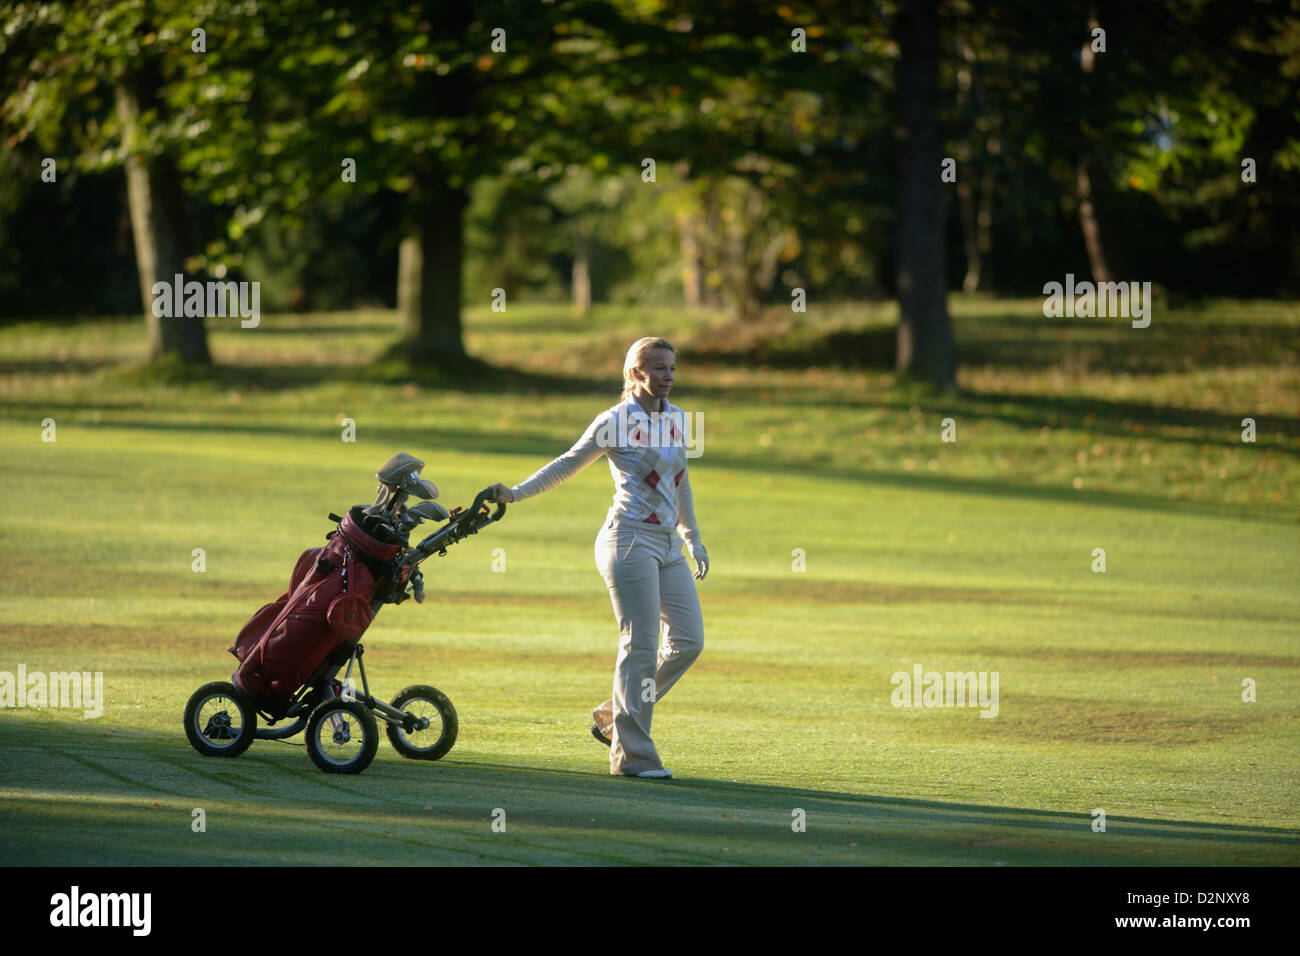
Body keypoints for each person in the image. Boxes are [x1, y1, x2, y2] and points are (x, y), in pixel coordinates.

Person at [486, 337, 708, 779]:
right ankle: (632, 757)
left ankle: (613, 716)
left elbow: (680, 481)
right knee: (640, 647)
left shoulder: (682, 419)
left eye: (672, 368)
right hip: (628, 541)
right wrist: (515, 493)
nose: (668, 376)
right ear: (635, 374)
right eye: (659, 368)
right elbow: (566, 464)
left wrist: (692, 537)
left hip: (667, 545)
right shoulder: (615, 421)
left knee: (688, 641)